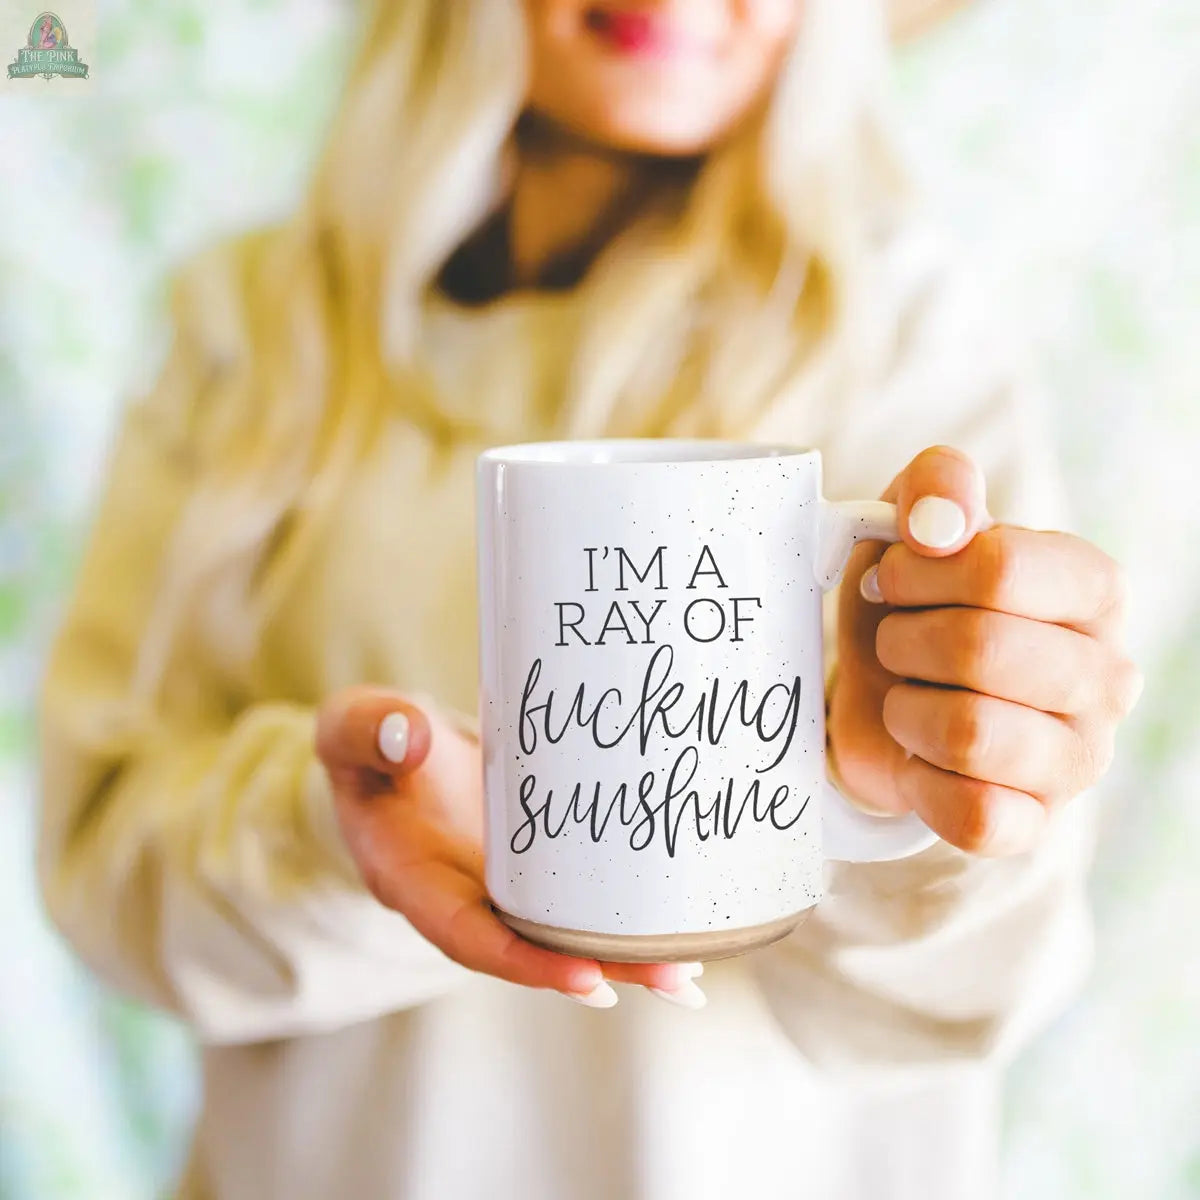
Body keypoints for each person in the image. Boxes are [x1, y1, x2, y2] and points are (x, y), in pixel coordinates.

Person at [37, 2, 1142, 1198]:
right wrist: (334, 833)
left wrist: (924, 798)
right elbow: (104, 874)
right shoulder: (251, 330)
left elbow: (981, 992)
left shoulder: (907, 336)